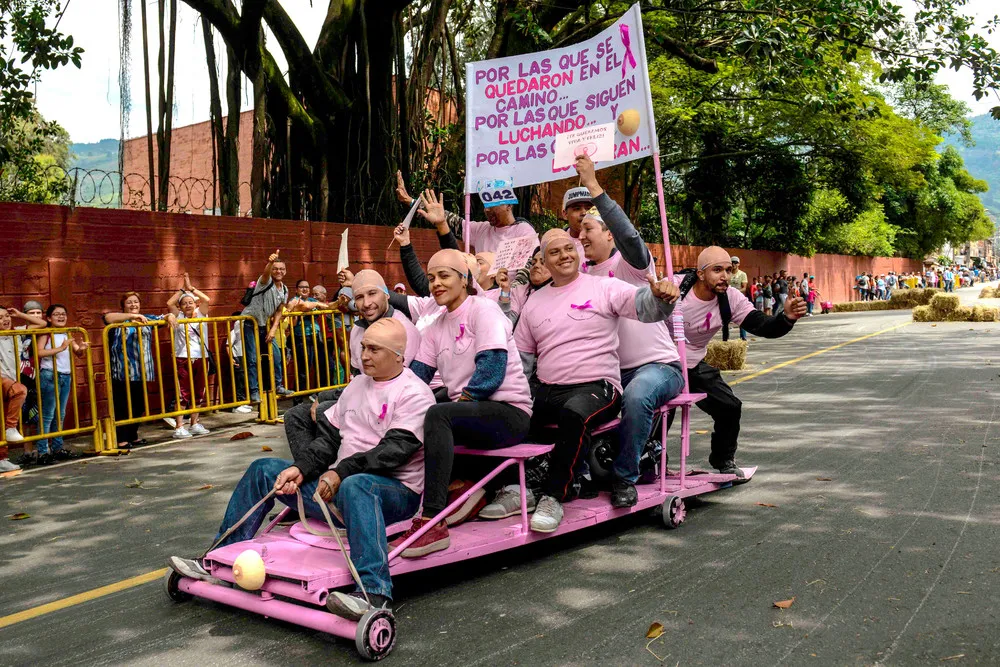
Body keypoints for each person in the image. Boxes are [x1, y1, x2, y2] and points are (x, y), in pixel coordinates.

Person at [168, 317, 434, 620]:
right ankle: (219, 559)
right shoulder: (358, 385)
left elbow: (393, 453)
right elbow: (328, 440)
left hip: (393, 495)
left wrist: (340, 472)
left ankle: (374, 593)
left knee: (356, 484)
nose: (364, 355)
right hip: (341, 487)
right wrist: (301, 468)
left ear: (398, 354)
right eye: (363, 347)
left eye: (374, 349)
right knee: (264, 469)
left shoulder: (415, 393)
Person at [513, 228, 681, 532]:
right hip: (549, 389)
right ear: (544, 261)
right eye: (554, 252)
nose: (564, 255)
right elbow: (521, 362)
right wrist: (516, 401)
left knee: (573, 414)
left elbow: (645, 306)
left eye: (569, 249)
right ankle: (518, 488)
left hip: (597, 386)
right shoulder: (533, 304)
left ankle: (554, 497)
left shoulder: (604, 287)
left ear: (577, 253)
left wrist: (661, 296)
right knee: (518, 419)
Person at [387, 249, 534, 557]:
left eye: (444, 276)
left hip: (509, 413)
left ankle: (432, 522)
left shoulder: (484, 310)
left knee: (439, 414)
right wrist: (385, 402)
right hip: (468, 415)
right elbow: (416, 379)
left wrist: (458, 406)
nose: (436, 283)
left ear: (464, 279)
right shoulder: (436, 326)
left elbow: (492, 370)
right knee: (415, 413)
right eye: (430, 278)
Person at [573, 154, 685, 506]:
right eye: (579, 231)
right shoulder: (579, 279)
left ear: (608, 233)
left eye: (588, 229)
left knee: (638, 395)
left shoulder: (631, 266)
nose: (581, 235)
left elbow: (631, 237)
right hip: (606, 374)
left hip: (657, 368)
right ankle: (578, 477)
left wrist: (593, 185)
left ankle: (625, 477)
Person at [668, 246, 806, 476]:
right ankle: (647, 463)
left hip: (692, 363)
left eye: (729, 270)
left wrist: (786, 318)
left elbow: (762, 325)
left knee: (730, 407)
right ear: (700, 273)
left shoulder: (730, 298)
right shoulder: (676, 286)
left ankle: (724, 460)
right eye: (717, 270)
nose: (725, 277)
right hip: (661, 361)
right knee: (661, 410)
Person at [103, 292, 176, 448]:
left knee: (139, 405)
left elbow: (167, 315)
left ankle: (132, 435)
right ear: (123, 306)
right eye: (129, 302)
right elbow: (107, 317)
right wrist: (130, 316)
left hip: (142, 371)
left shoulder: (146, 318)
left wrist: (169, 316)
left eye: (136, 302)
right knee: (122, 406)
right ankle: (121, 439)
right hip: (122, 371)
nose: (133, 305)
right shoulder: (118, 320)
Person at [36, 304, 90, 462]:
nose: (61, 317)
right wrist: (60, 348)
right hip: (50, 375)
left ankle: (57, 447)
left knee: (60, 414)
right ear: (48, 318)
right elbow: (39, 352)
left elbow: (77, 352)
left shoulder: (67, 332)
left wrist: (82, 348)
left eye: (63, 314)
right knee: (47, 414)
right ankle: (42, 451)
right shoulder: (46, 333)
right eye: (56, 314)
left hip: (66, 375)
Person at [240, 250, 289, 403]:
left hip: (264, 326)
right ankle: (254, 392)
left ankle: (278, 385)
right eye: (276, 268)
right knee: (252, 358)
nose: (278, 271)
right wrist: (270, 262)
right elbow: (266, 273)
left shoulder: (285, 289)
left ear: (285, 271)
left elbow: (280, 309)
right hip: (250, 323)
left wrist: (273, 329)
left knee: (276, 355)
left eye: (281, 269)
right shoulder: (265, 282)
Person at [0, 307, 45, 470]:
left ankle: (2, 459)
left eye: (6, 316)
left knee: (1, 419)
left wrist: (19, 314)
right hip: (2, 380)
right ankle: (11, 427)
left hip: (10, 379)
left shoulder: (16, 332)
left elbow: (42, 323)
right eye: (0, 318)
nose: (5, 320)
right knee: (20, 390)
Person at [167, 276, 212, 439]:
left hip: (201, 357)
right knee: (183, 392)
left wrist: (191, 288)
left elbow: (207, 299)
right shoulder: (178, 317)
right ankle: (179, 426)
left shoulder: (201, 314)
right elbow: (169, 304)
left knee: (199, 390)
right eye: (184, 303)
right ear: (180, 307)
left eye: (190, 302)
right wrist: (182, 290)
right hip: (183, 357)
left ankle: (194, 423)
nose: (187, 305)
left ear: (195, 304)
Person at [729, 256, 749, 341]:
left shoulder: (742, 274)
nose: (734, 264)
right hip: (728, 298)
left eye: (735, 262)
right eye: (732, 262)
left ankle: (743, 338)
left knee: (742, 318)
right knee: (725, 319)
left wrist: (735, 291)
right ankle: (725, 339)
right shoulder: (727, 274)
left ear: (738, 264)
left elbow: (744, 288)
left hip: (738, 298)